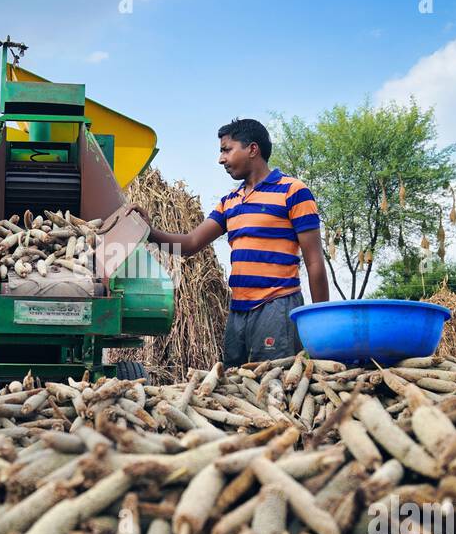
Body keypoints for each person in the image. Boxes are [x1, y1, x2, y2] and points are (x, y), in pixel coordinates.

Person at [131, 118, 329, 367]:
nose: (221, 159)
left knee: (275, 384)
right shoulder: (230, 201)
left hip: (276, 307)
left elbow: (313, 261)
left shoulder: (293, 191)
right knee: (237, 385)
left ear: (252, 149)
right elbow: (191, 243)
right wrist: (149, 232)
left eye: (227, 149)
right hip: (238, 311)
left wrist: (322, 320)